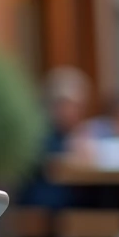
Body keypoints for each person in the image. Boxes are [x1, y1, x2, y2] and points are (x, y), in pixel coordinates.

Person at [18, 66, 91, 210]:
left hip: (63, 196)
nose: (79, 112)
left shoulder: (73, 132)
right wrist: (69, 149)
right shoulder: (39, 130)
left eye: (82, 106)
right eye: (74, 105)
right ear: (57, 104)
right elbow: (48, 164)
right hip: (43, 199)